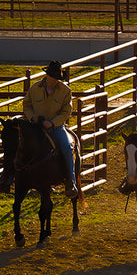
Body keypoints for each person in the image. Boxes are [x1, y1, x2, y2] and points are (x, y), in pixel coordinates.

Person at [22, 60, 81, 197]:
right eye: (53, 77)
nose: (55, 80)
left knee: (67, 147)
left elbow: (67, 111)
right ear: (47, 75)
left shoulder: (65, 91)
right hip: (36, 126)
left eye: (57, 78)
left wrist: (53, 123)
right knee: (21, 144)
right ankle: (12, 178)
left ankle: (71, 181)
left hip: (56, 127)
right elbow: (27, 105)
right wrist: (33, 118)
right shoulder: (35, 88)